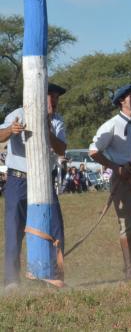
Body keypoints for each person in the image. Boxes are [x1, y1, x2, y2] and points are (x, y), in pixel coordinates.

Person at [0, 83, 68, 291]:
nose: (54, 101)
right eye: (50, 97)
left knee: (55, 228)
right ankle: (12, 281)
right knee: (14, 230)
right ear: (37, 96)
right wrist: (11, 130)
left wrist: (47, 129)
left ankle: (53, 278)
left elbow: (61, 149)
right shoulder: (18, 114)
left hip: (44, 180)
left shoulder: (57, 121)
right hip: (18, 180)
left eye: (56, 97)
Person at [89, 83, 131, 279]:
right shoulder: (111, 125)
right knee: (128, 225)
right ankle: (130, 269)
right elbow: (93, 152)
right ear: (121, 101)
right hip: (122, 178)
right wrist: (116, 167)